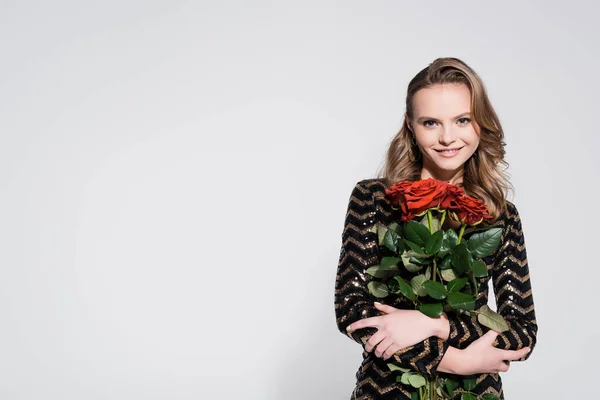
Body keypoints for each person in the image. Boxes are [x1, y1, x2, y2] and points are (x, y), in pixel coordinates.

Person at [334, 57, 537, 399]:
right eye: (431, 122)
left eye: (462, 120)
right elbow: (353, 310)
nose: (447, 138)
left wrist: (436, 324)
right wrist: (453, 360)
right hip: (387, 391)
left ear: (480, 124)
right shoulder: (373, 199)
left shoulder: (500, 216)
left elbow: (522, 332)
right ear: (410, 126)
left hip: (475, 393)